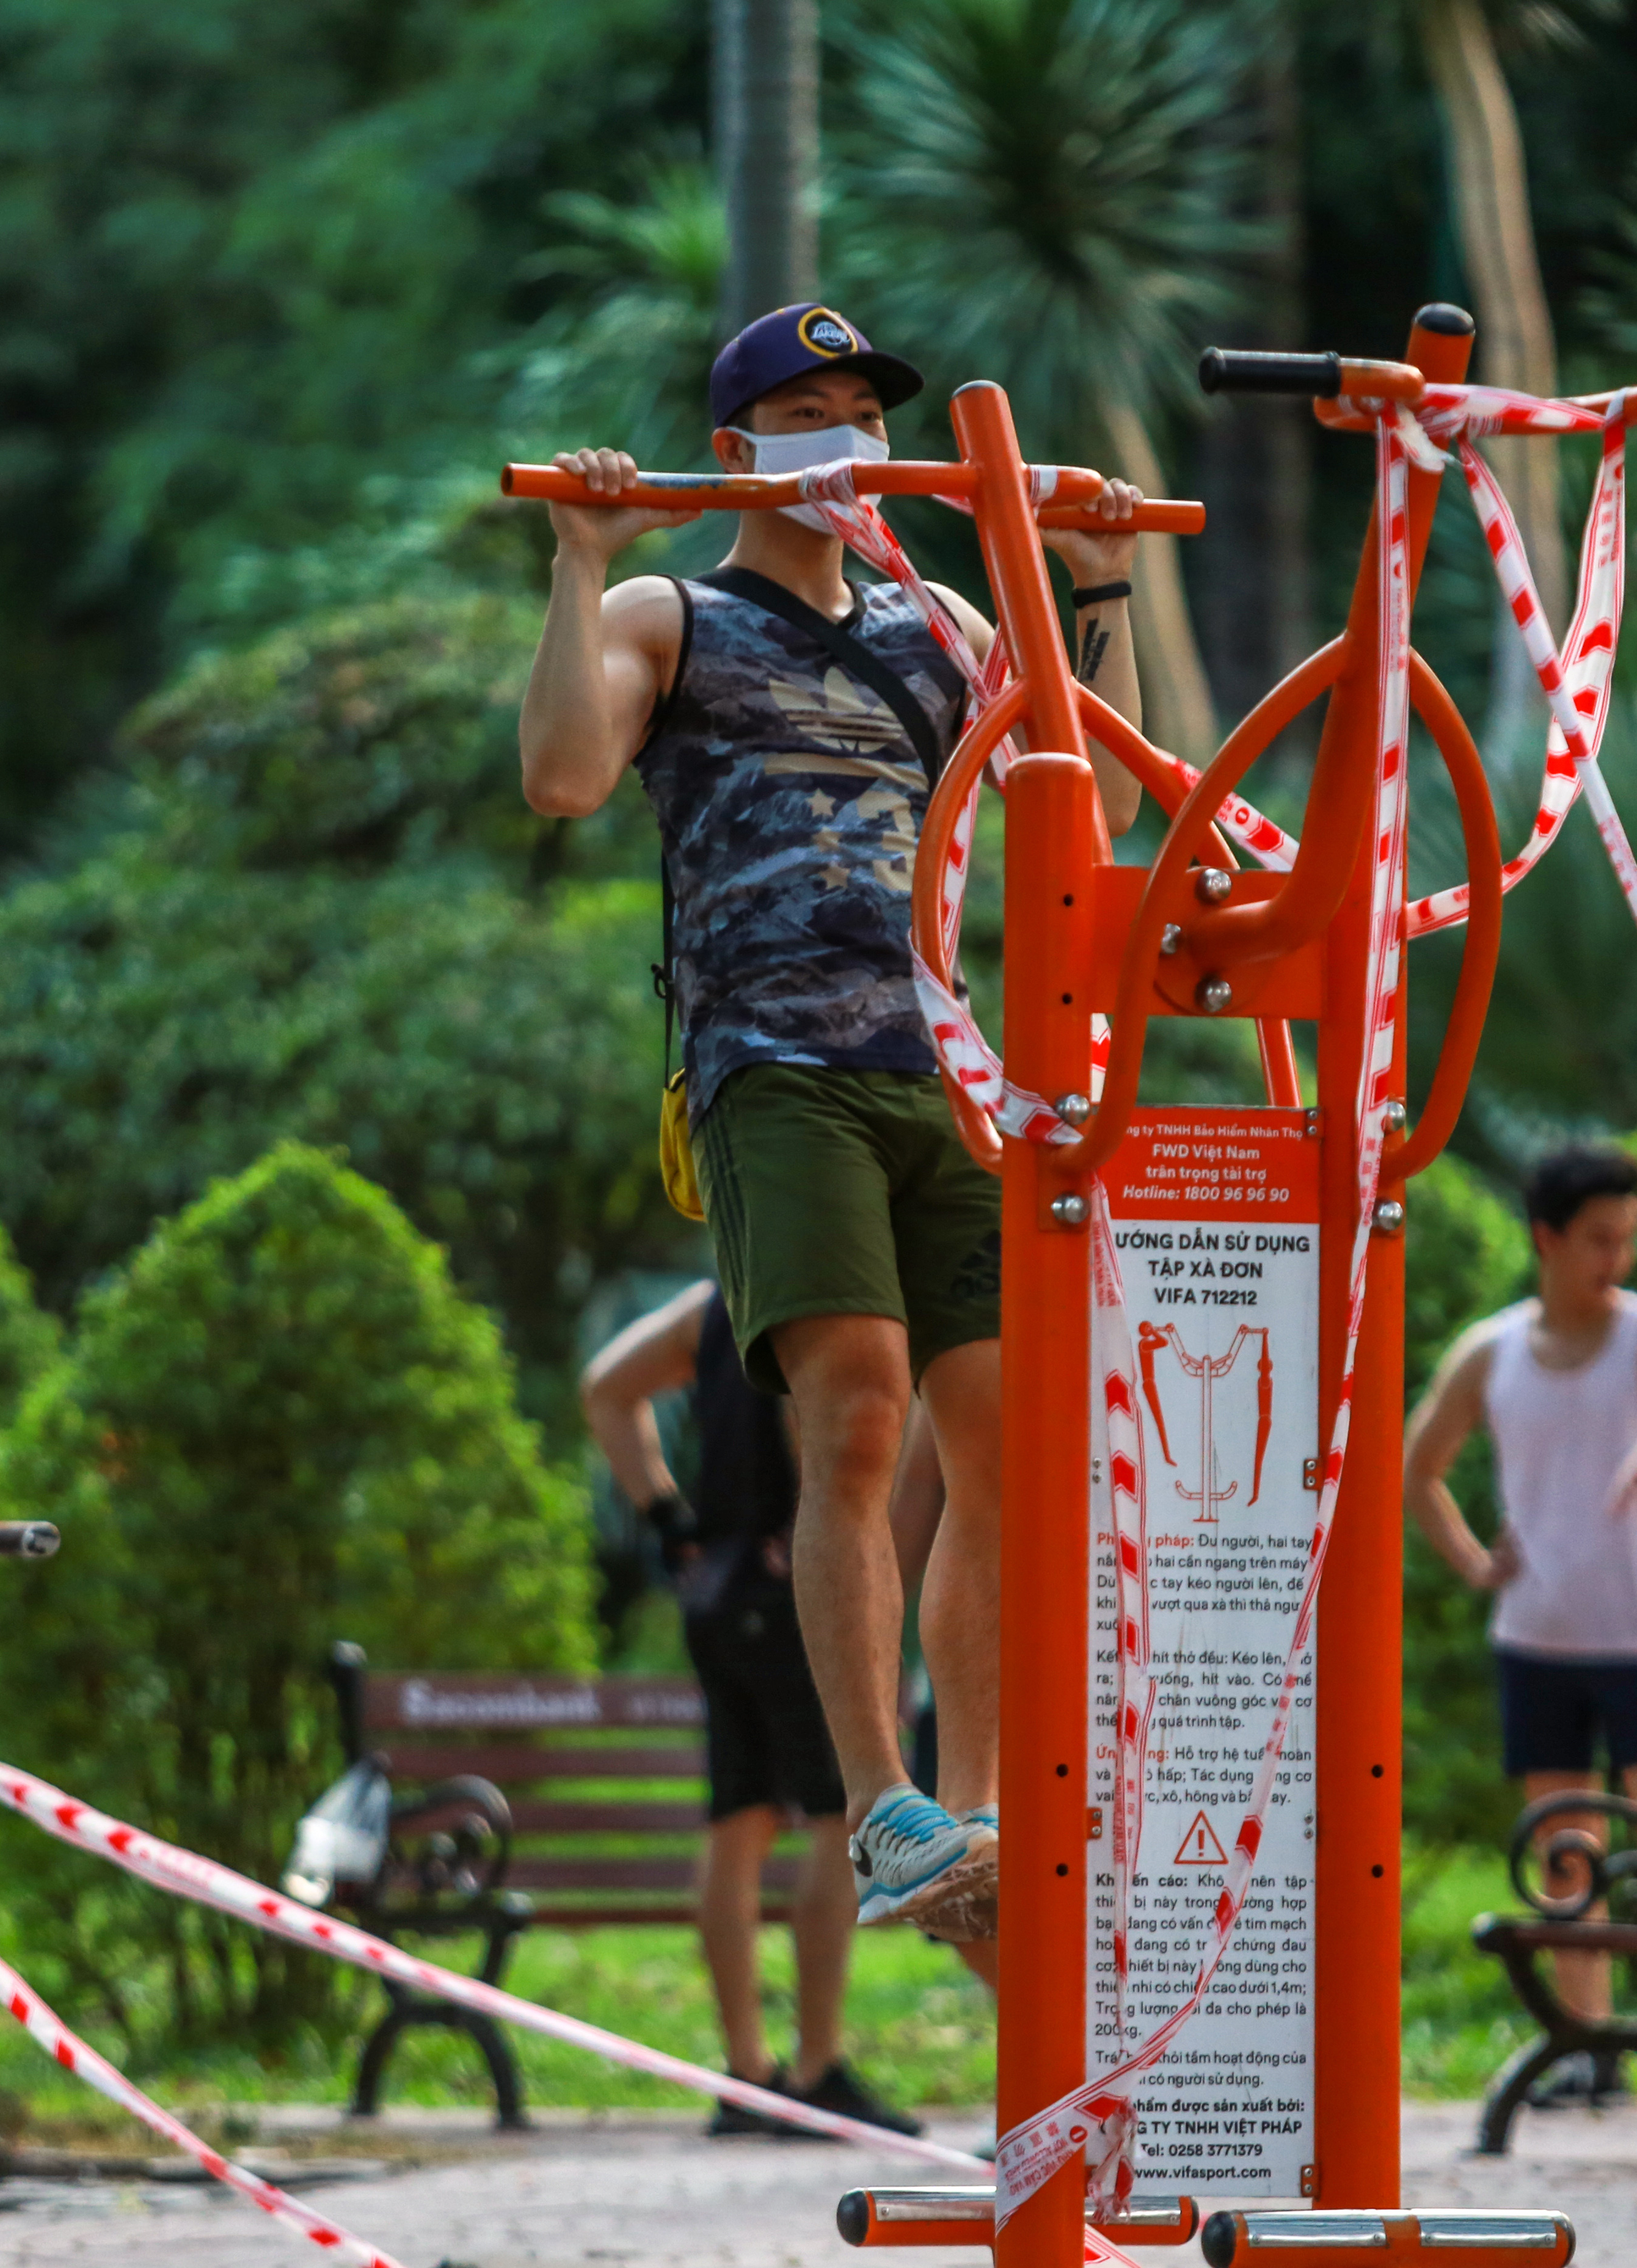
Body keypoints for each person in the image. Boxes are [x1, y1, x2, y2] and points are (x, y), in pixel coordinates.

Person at [517, 303, 1147, 1940]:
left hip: (941, 1067)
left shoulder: (933, 622)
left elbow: (1105, 795)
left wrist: (1092, 584)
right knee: (858, 1417)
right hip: (771, 1067)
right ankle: (882, 1805)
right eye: (809, 412)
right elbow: (564, 779)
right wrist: (582, 561)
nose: (847, 443)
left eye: (864, 413)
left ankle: (984, 1814)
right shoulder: (679, 614)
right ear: (735, 452)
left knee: (1006, 1442)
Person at [1402, 1144, 1637, 2106]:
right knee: (1562, 1848)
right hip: (1535, 1641)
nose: (1617, 1257)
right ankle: (1586, 2046)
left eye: (1628, 1237)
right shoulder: (1491, 1352)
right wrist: (1477, 1563)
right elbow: (1417, 1464)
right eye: (1599, 1239)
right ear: (1547, 1239)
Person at [580, 1281, 920, 2137]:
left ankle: (746, 2072)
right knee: (837, 1819)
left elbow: (605, 1386)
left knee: (736, 1820)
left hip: (714, 1588)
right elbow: (813, 1423)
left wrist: (667, 1516)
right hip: (787, 1583)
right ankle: (813, 2070)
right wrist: (829, 1532)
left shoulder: (708, 1305)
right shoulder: (814, 1290)